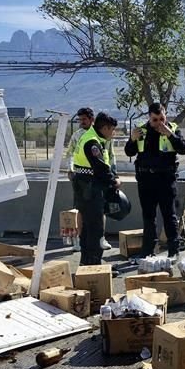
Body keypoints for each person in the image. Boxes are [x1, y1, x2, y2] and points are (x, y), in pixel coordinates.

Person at [125, 102, 185, 257]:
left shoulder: (172, 129)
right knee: (148, 217)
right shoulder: (141, 130)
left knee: (169, 216)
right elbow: (129, 152)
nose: (159, 123)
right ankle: (148, 251)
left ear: (165, 115)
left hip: (165, 179)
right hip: (146, 179)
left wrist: (170, 135)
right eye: (155, 120)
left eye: (162, 118)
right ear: (149, 118)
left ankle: (173, 250)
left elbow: (184, 148)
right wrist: (132, 139)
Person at [71, 112, 120, 265]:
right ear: (105, 128)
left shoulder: (92, 138)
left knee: (86, 228)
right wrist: (113, 181)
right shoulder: (92, 143)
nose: (113, 133)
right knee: (95, 229)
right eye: (112, 129)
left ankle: (86, 263)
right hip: (90, 188)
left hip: (84, 186)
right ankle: (94, 265)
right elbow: (100, 168)